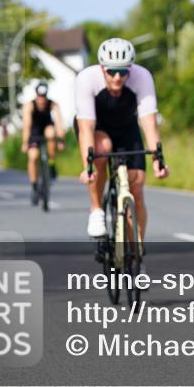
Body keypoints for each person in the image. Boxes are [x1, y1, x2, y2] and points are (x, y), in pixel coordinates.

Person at [75, 38, 169, 241]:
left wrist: (158, 162)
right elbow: (86, 128)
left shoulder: (142, 77)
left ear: (130, 69)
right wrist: (87, 167)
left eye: (124, 72)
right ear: (102, 68)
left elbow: (149, 123)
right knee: (102, 148)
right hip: (97, 128)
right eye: (111, 72)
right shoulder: (86, 79)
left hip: (126, 127)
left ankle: (137, 254)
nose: (117, 77)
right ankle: (97, 211)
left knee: (137, 187)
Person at [21, 82, 66, 205]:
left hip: (47, 128)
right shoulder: (29, 105)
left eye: (44, 96)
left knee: (51, 134)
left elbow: (58, 122)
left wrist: (61, 140)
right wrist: (25, 142)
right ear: (36, 95)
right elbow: (27, 125)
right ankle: (34, 185)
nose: (42, 99)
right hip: (34, 132)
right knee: (33, 156)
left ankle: (51, 163)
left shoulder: (53, 104)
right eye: (40, 96)